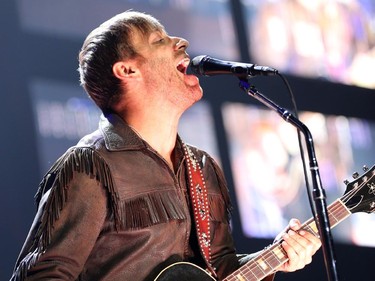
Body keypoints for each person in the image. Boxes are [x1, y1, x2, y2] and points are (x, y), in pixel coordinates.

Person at [10, 10, 321, 281]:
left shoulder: (204, 168)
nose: (181, 41)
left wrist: (278, 257)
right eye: (159, 40)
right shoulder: (90, 165)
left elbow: (222, 272)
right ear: (127, 70)